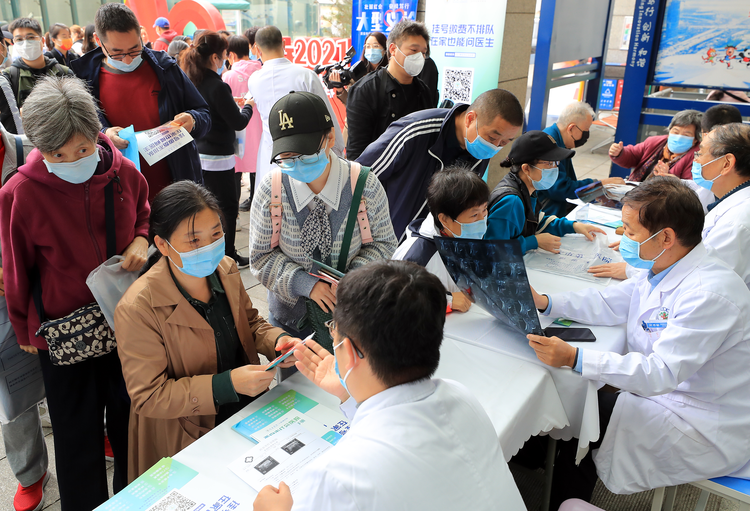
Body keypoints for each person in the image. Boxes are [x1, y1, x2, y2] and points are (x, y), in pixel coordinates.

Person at [526, 177, 750, 507]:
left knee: (583, 415)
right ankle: (542, 467)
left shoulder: (708, 294)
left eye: (630, 232)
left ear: (666, 237)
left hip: (702, 420)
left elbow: (659, 373)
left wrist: (576, 358)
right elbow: (611, 301)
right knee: (584, 407)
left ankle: (564, 498)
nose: (623, 238)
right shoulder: (668, 264)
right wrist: (548, 302)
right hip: (675, 394)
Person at [251, 260, 527, 511]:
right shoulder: (461, 397)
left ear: (347, 350)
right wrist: (351, 396)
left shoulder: (337, 476)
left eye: (333, 329)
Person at [0, 76, 150, 511]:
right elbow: (17, 268)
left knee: (130, 421)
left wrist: (141, 237)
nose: (72, 160)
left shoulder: (120, 170)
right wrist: (25, 327)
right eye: (56, 155)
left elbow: (143, 210)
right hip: (62, 331)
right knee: (74, 432)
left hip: (125, 320)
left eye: (82, 148)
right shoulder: (21, 192)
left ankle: (133, 499)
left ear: (96, 135)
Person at [115, 180, 298, 481]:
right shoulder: (139, 308)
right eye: (194, 241)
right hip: (187, 431)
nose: (209, 247)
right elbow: (148, 396)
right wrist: (225, 385)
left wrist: (278, 340)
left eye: (216, 234)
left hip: (246, 414)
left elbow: (250, 323)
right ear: (162, 245)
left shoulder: (225, 269)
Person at [249, 91, 397, 339]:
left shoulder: (364, 185)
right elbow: (261, 257)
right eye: (286, 158)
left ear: (329, 137)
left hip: (353, 318)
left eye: (305, 154)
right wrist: (305, 284)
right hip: (291, 324)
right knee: (294, 378)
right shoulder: (271, 190)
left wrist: (350, 282)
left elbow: (384, 245)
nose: (296, 164)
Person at [72, 3, 211, 202]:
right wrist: (103, 134)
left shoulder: (166, 68)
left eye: (134, 49)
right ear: (98, 41)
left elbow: (204, 113)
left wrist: (193, 119)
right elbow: (78, 133)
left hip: (176, 191)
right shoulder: (83, 80)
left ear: (141, 35)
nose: (127, 60)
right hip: (120, 195)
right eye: (117, 52)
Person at [590, 123, 750, 288]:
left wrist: (633, 269)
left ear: (726, 164)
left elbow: (702, 280)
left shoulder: (736, 223)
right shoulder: (730, 201)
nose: (696, 159)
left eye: (701, 153)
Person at [357, 88, 523, 242]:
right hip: (383, 240)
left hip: (425, 247)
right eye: (493, 138)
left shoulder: (480, 151)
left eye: (504, 143)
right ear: (470, 119)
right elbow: (358, 177)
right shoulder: (416, 131)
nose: (495, 147)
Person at [0, 116, 48, 511]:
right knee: (11, 385)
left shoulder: (28, 150)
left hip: (47, 285)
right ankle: (30, 471)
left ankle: (93, 429)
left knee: (73, 360)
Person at [180, 31, 254, 268]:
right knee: (227, 208)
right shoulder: (217, 86)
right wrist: (249, 107)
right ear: (214, 57)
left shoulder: (191, 81)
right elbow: (238, 122)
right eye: (224, 55)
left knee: (204, 207)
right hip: (220, 158)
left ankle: (210, 252)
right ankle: (228, 254)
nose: (225, 60)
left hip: (198, 155)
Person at [245, 25, 344, 187]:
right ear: (283, 44)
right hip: (306, 153)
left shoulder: (254, 80)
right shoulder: (305, 76)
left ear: (256, 48)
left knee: (272, 201)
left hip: (269, 152)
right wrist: (338, 150)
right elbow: (327, 117)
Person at [486, 130, 605, 253]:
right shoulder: (511, 202)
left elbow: (537, 221)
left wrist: (574, 226)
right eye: (549, 163)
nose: (555, 168)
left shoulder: (528, 188)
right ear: (526, 168)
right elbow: (494, 249)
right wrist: (534, 242)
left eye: (556, 163)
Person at [393, 164, 487, 313]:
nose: (482, 220)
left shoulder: (462, 236)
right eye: (474, 215)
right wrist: (447, 301)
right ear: (444, 219)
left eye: (484, 210)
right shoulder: (416, 255)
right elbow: (395, 301)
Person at [345, 20, 434, 160]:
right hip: (376, 176)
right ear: (393, 49)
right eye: (414, 50)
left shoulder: (424, 92)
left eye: (423, 53)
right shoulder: (365, 90)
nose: (420, 58)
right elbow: (357, 153)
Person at [538, 101, 625, 217]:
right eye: (586, 130)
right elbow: (560, 189)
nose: (587, 135)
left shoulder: (558, 140)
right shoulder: (549, 145)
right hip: (547, 213)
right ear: (572, 128)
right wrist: (599, 184)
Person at [0, 18, 73, 134]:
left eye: (30, 37)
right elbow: (8, 125)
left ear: (42, 40)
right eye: (19, 39)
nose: (25, 43)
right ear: (14, 43)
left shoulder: (64, 73)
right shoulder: (9, 78)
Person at [222, 34, 263, 212]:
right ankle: (256, 202)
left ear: (231, 55)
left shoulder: (228, 76)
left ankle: (234, 210)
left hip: (238, 131)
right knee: (257, 168)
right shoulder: (261, 72)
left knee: (236, 169)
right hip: (260, 130)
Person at [609, 109, 702, 182]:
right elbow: (633, 155)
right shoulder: (655, 142)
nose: (678, 137)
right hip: (636, 190)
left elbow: (690, 188)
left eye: (686, 135)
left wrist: (667, 178)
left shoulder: (698, 157)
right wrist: (620, 152)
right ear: (669, 131)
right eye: (675, 131)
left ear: (695, 140)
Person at [330, 31, 388, 107]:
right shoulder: (357, 71)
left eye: (376, 46)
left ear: (385, 49)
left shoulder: (391, 71)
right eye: (368, 46)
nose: (371, 50)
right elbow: (350, 103)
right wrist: (340, 89)